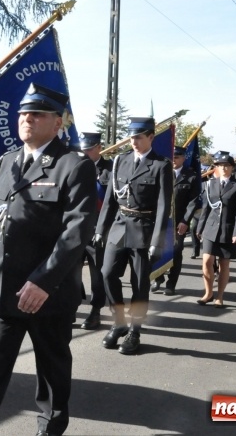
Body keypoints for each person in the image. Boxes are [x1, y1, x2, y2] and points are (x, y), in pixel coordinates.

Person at [0, 83, 96, 436]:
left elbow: (75, 233)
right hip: (4, 288)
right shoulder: (5, 163)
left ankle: (48, 430)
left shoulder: (72, 165)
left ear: (58, 122)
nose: (26, 118)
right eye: (22, 113)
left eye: (37, 113)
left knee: (51, 369)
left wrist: (43, 281)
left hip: (48, 292)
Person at [96, 117, 173, 355]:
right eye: (131, 137)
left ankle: (134, 331)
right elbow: (110, 200)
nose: (134, 142)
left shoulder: (161, 165)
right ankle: (119, 322)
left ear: (151, 137)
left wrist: (157, 240)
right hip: (119, 227)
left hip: (144, 228)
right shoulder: (121, 161)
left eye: (139, 137)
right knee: (107, 273)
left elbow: (163, 206)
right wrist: (100, 229)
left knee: (140, 284)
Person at [194, 151, 236, 307]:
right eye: (220, 165)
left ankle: (220, 296)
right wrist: (200, 227)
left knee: (224, 264)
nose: (223, 169)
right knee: (207, 261)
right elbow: (206, 208)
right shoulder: (211, 183)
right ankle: (208, 293)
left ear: (232, 168)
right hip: (211, 228)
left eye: (227, 166)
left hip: (228, 230)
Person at [152, 145, 201, 296]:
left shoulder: (191, 176)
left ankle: (171, 284)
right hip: (159, 221)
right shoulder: (162, 172)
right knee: (156, 250)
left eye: (177, 157)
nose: (174, 160)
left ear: (184, 158)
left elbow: (193, 202)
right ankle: (157, 277)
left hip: (178, 222)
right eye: (172, 157)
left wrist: (185, 221)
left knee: (176, 252)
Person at [78, 131, 112, 329]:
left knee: (97, 273)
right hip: (75, 228)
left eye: (89, 149)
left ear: (99, 147)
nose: (85, 152)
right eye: (82, 149)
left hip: (98, 229)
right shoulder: (74, 166)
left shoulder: (110, 169)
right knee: (69, 271)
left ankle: (95, 310)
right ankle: (72, 304)